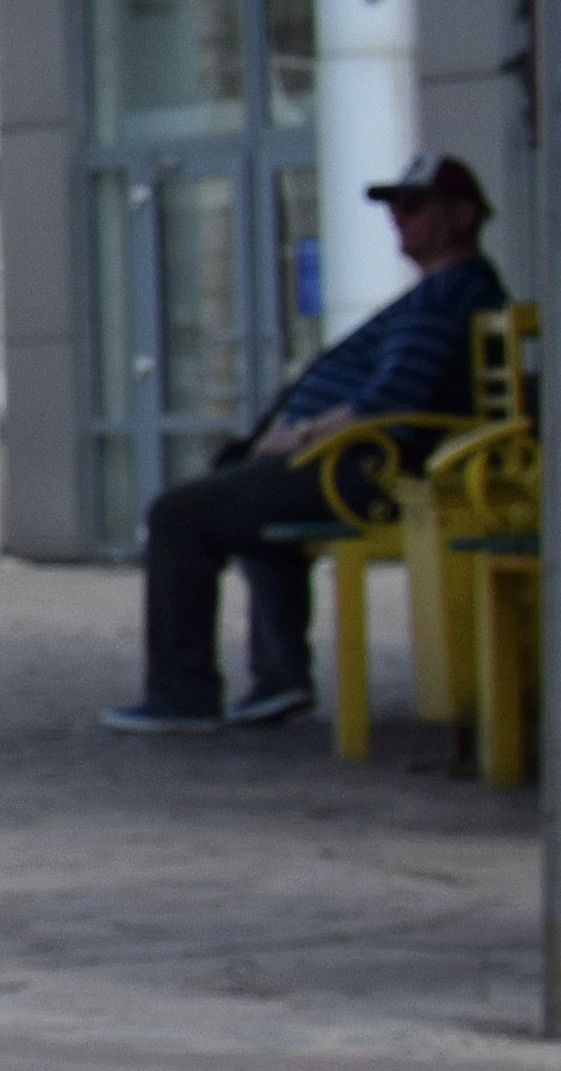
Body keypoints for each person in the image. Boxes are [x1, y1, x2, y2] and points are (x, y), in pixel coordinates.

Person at [106, 154, 505, 735]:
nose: (399, 218)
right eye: (395, 207)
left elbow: (392, 402)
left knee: (178, 515)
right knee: (239, 493)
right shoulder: (442, 291)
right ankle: (279, 677)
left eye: (414, 206)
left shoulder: (448, 295)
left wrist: (303, 434)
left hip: (368, 464)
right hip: (359, 458)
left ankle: (183, 695)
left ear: (463, 216)